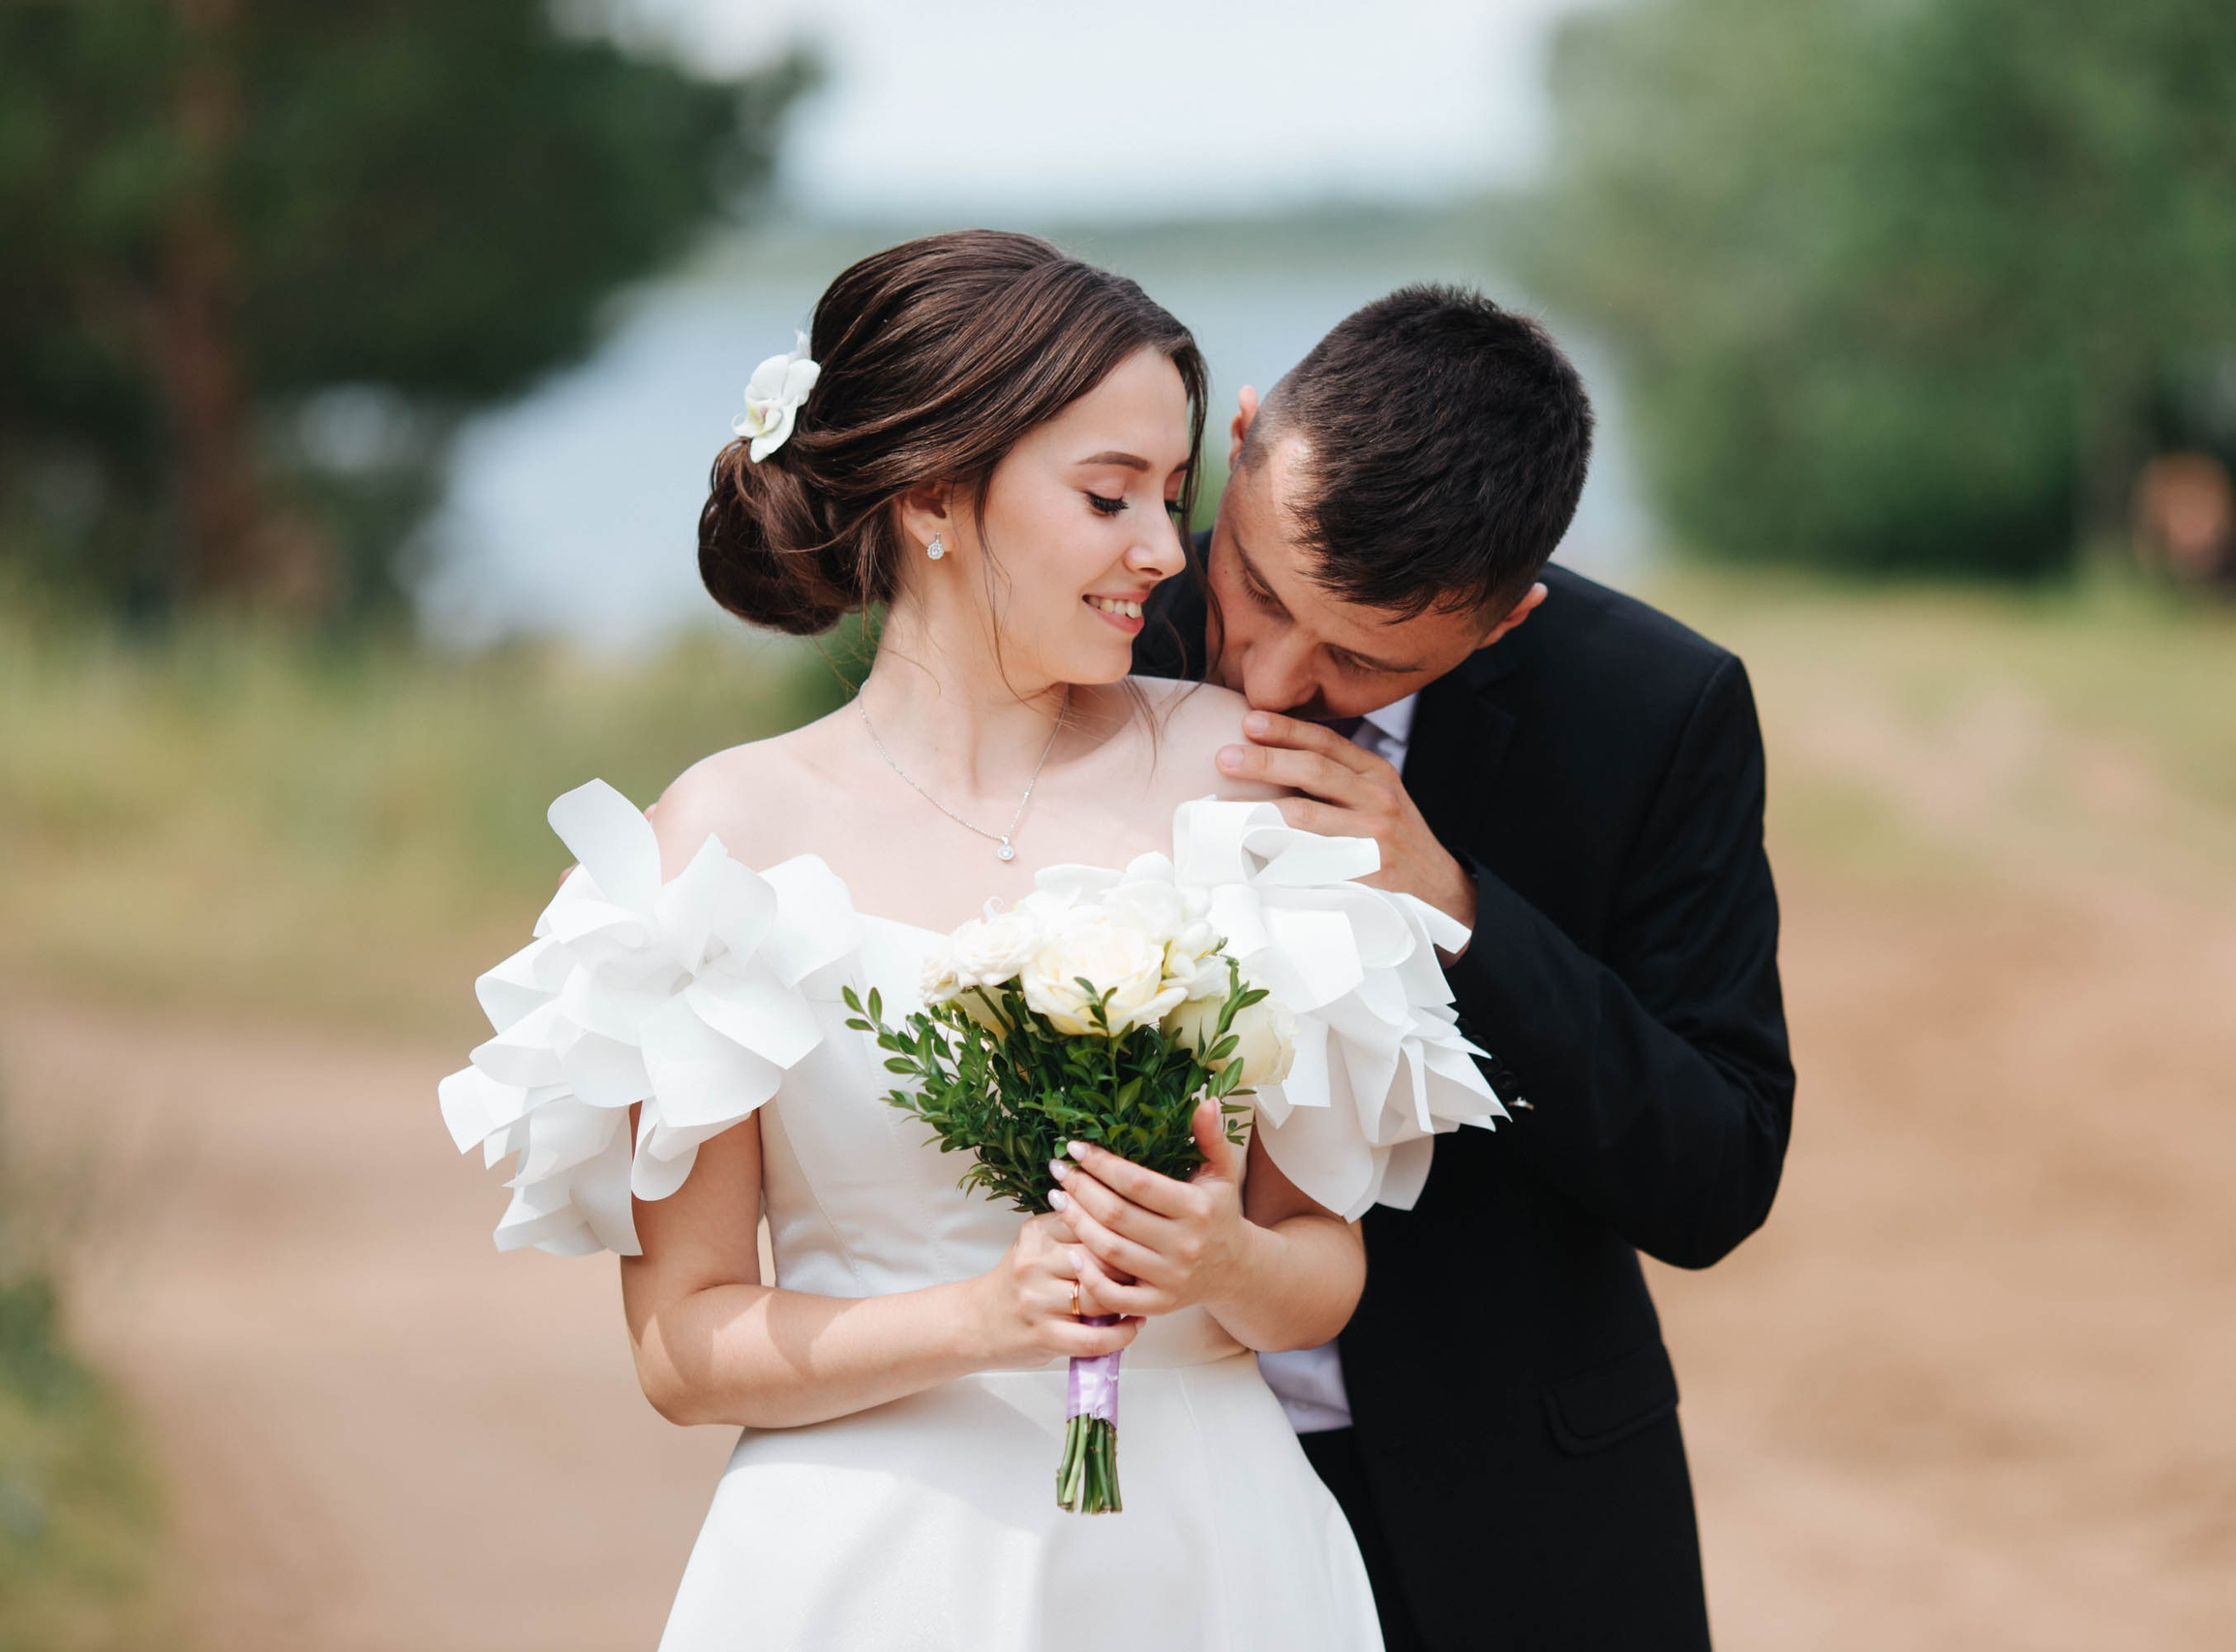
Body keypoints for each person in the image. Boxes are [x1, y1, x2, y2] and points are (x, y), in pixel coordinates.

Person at [438, 231, 1501, 1649]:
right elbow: (684, 1347)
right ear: (937, 498)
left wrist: (1217, 1266)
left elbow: (1322, 1264)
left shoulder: (1245, 782)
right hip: (862, 1571)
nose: (1159, 552)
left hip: (1213, 1564)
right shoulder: (721, 842)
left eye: (1173, 495)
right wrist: (983, 1319)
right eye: (1110, 494)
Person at [1133, 286, 1796, 1651]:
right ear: (1240, 442)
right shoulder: (1094, 635)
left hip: (1523, 1524)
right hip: (1135, 1491)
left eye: (1362, 661)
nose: (1267, 680)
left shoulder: (1656, 711)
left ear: (1504, 621)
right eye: (1256, 587)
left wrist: (1455, 909)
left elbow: (1717, 1172)